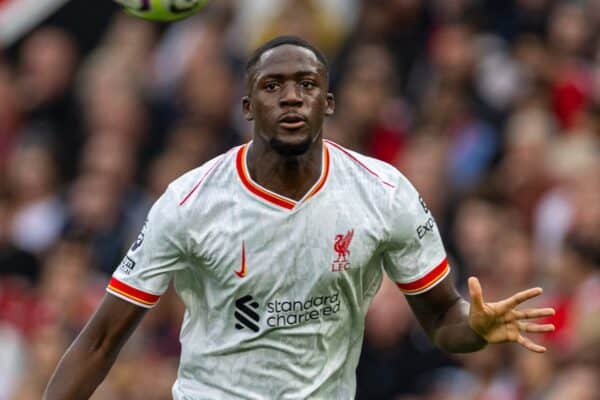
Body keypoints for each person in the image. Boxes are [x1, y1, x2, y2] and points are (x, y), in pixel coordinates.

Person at [43, 36, 555, 400]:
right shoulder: (189, 202)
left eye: (307, 84)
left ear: (327, 102)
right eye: (273, 86)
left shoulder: (383, 193)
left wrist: (477, 326)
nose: (291, 96)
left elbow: (444, 320)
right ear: (247, 105)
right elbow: (101, 339)